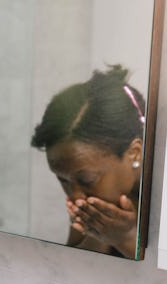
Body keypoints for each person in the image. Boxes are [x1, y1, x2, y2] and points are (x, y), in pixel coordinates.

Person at [31, 65, 145, 258]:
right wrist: (98, 234)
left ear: (134, 153)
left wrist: (124, 238)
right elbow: (72, 273)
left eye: (87, 180)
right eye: (62, 180)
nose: (76, 197)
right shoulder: (92, 203)